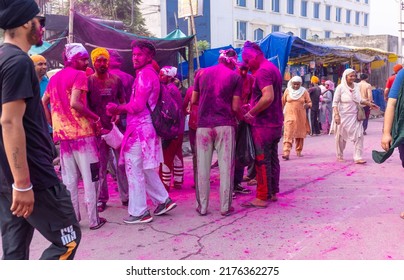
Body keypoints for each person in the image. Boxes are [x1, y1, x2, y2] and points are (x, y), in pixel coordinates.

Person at [0, 0, 81, 259]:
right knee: (67, 239)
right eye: (40, 21)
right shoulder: (18, 62)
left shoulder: (4, 59)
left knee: (15, 251)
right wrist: (23, 185)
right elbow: (10, 121)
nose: (42, 28)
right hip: (31, 176)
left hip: (7, 176)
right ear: (26, 22)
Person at [106, 39, 177, 224]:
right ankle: (163, 200)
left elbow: (137, 106)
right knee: (144, 169)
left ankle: (140, 212)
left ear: (149, 56)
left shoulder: (145, 74)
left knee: (133, 169)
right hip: (144, 129)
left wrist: (117, 108)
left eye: (139, 54)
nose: (135, 58)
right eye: (134, 54)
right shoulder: (148, 73)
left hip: (139, 130)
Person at [42, 43, 106, 230]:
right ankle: (94, 220)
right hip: (83, 134)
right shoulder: (79, 75)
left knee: (69, 181)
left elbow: (43, 102)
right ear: (73, 60)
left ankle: (73, 220)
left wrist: (53, 125)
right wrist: (96, 118)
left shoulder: (54, 79)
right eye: (83, 59)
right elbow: (75, 103)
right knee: (90, 178)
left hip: (64, 137)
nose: (87, 62)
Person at [191, 48, 242, 216]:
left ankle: (202, 207)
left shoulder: (201, 74)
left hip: (203, 126)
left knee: (202, 168)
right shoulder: (235, 77)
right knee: (226, 167)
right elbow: (235, 107)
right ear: (232, 61)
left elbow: (194, 100)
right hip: (225, 125)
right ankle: (225, 207)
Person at [240, 41, 283, 209]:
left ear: (255, 56)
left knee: (261, 159)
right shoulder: (272, 68)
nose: (247, 64)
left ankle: (262, 196)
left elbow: (268, 97)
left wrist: (252, 112)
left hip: (264, 125)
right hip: (275, 122)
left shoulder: (263, 71)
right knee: (272, 158)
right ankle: (272, 192)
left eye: (247, 60)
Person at [87, 47, 129, 212]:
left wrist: (118, 113)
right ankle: (101, 199)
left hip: (114, 129)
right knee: (100, 166)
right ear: (94, 62)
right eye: (99, 60)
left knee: (122, 164)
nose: (102, 63)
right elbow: (85, 105)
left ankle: (126, 197)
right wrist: (93, 122)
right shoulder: (89, 81)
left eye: (105, 60)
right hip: (97, 131)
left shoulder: (116, 80)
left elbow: (122, 101)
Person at [332, 69, 378, 164]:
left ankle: (358, 157)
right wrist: (337, 115)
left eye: (354, 76)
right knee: (340, 138)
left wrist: (369, 104)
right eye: (351, 76)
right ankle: (340, 155)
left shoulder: (357, 86)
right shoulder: (340, 88)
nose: (353, 78)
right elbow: (335, 103)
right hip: (342, 116)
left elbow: (359, 99)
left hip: (354, 116)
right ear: (345, 77)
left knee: (359, 136)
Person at [158, 66, 185, 190]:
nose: (159, 77)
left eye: (162, 75)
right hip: (178, 128)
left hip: (171, 129)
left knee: (166, 156)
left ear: (169, 77)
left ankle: (165, 185)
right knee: (176, 155)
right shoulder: (174, 89)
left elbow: (167, 111)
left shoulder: (168, 90)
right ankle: (178, 181)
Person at [281, 76, 312, 160]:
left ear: (300, 84)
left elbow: (309, 102)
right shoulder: (287, 91)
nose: (296, 86)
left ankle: (299, 150)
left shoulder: (304, 91)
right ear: (291, 83)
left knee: (299, 134)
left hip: (300, 116)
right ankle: (286, 152)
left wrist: (307, 105)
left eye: (298, 84)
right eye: (294, 84)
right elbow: (282, 102)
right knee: (288, 133)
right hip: (289, 115)